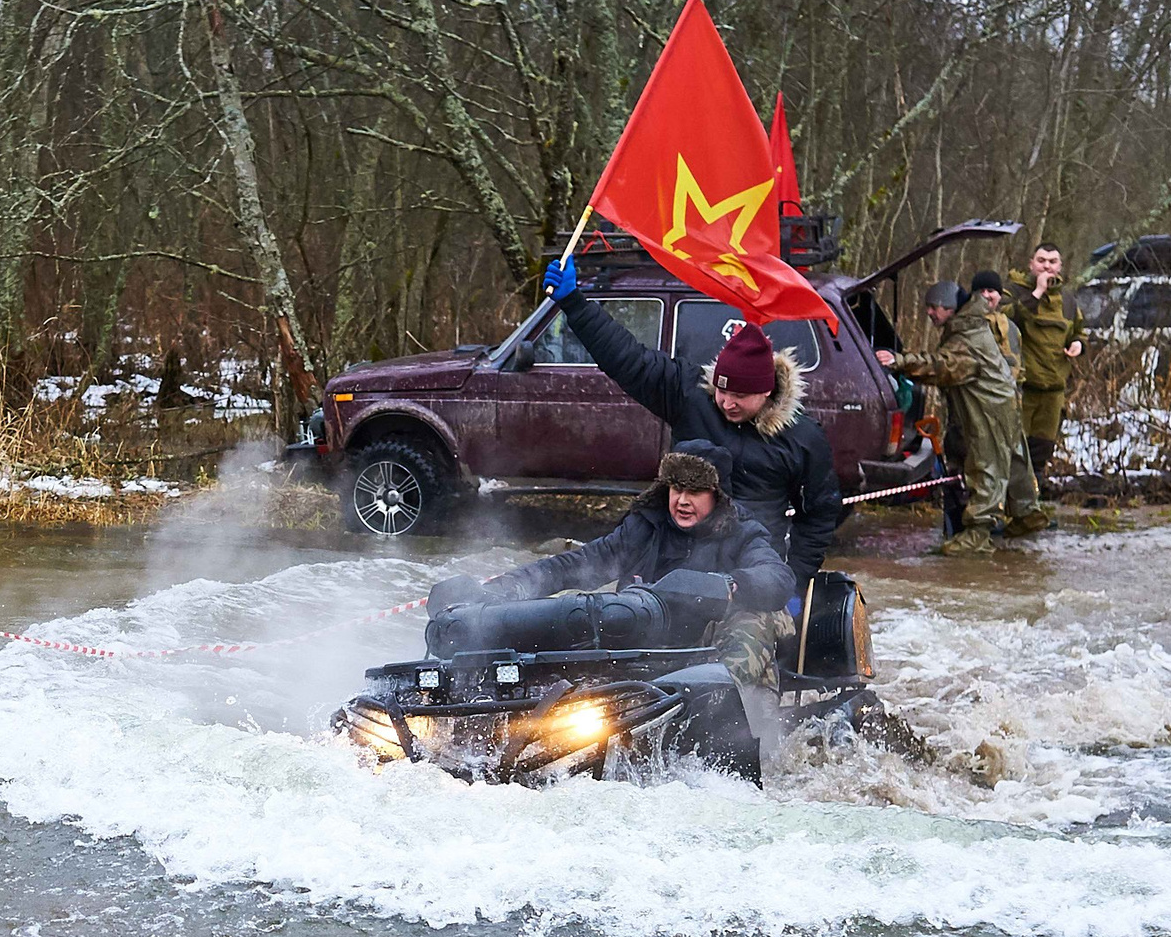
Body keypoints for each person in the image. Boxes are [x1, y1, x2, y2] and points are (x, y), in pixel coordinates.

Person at [541, 255, 844, 577]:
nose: (726, 403)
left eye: (740, 396)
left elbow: (819, 514)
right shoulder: (690, 395)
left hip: (751, 569)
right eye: (721, 391)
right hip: (673, 560)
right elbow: (626, 358)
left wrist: (793, 581)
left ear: (766, 391)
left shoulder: (803, 437)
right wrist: (574, 303)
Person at [428, 443, 795, 686]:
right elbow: (578, 564)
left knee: (756, 617)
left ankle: (741, 724)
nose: (682, 501)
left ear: (717, 496)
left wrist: (727, 586)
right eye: (675, 488)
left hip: (709, 645)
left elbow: (777, 576)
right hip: (650, 641)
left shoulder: (742, 532)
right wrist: (502, 590)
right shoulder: (644, 526)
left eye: (694, 491)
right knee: (577, 609)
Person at [879, 280, 1046, 555]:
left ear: (950, 308)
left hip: (987, 410)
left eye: (934, 308)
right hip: (1001, 404)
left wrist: (900, 361)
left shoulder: (967, 335)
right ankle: (1027, 514)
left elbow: (944, 367)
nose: (930, 314)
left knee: (986, 464)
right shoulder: (970, 326)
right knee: (1013, 459)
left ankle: (978, 533)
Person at [1000, 242, 1085, 482]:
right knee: (1014, 451)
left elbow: (1078, 330)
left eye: (1052, 261)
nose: (1046, 266)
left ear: (1060, 266)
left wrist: (1078, 344)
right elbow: (1003, 322)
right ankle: (1008, 505)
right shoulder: (1013, 291)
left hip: (1054, 390)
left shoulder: (1067, 300)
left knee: (1041, 450)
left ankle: (1032, 504)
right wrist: (1036, 294)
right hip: (1022, 388)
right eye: (1041, 260)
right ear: (1031, 263)